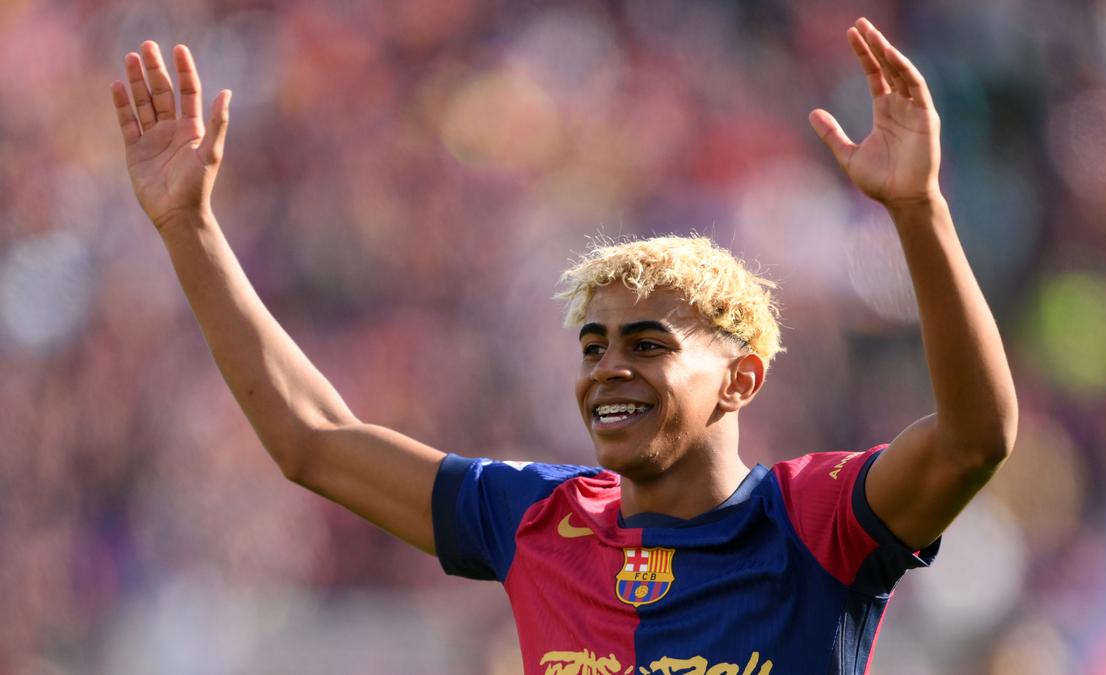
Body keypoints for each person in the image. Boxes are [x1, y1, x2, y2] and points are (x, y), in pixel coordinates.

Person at [111, 17, 1017, 674]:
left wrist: (918, 210)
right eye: (593, 346)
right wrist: (190, 227)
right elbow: (313, 440)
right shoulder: (538, 519)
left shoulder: (814, 522)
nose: (608, 367)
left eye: (648, 343)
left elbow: (975, 440)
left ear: (740, 378)